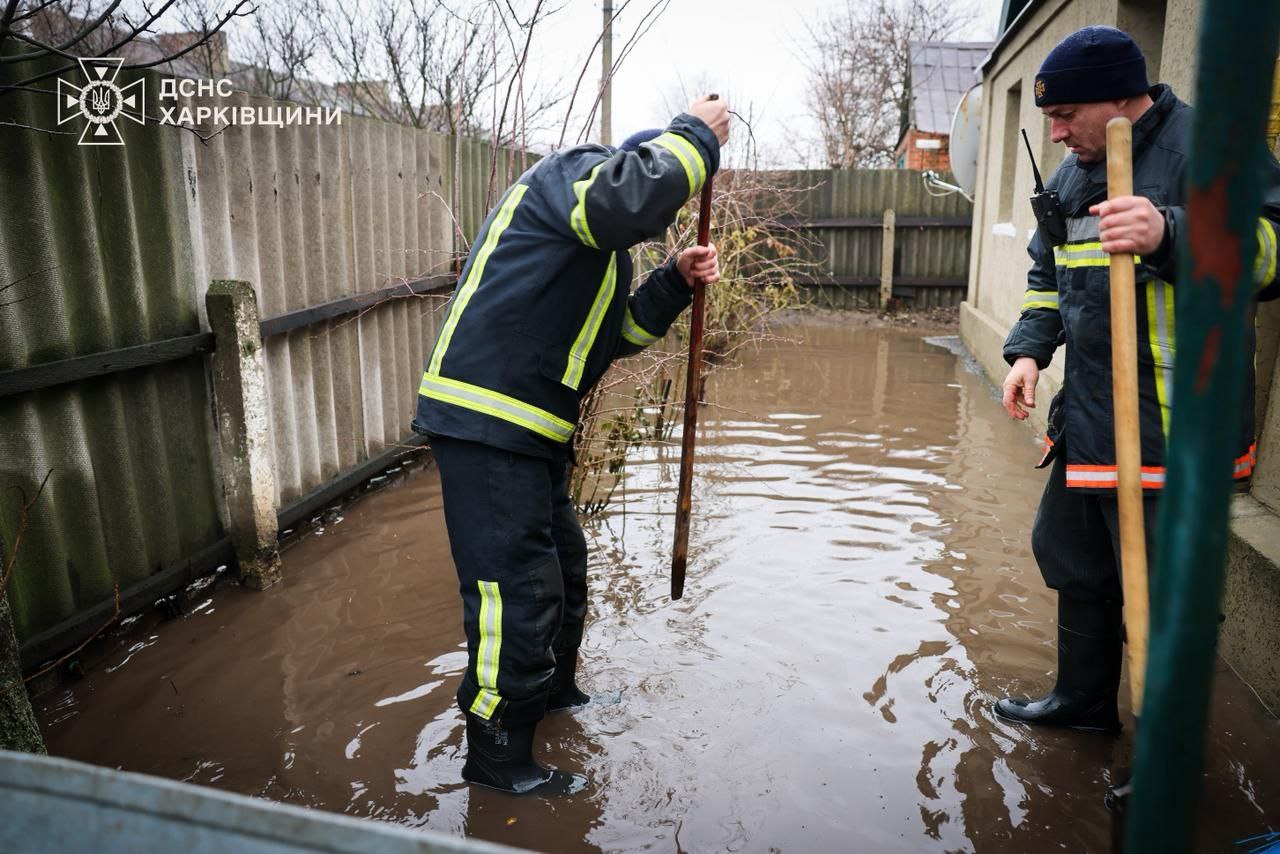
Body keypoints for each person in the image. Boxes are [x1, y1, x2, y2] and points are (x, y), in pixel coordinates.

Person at [411, 96, 730, 795]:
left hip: (531, 433)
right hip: (489, 423)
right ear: (635, 165)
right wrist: (697, 139)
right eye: (662, 188)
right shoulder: (573, 177)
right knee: (515, 594)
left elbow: (614, 341)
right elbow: (630, 199)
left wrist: (673, 281)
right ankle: (499, 758)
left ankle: (555, 698)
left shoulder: (599, 254)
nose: (662, 216)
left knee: (562, 575)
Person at [994, 26, 1280, 732]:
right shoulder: (1072, 175)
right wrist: (1029, 352)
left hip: (1177, 427)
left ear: (1123, 97)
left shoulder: (1210, 147)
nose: (1056, 133)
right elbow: (1046, 275)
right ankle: (1085, 706)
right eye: (1049, 119)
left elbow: (1273, 249)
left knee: (1166, 589)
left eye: (1066, 116)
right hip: (1090, 418)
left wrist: (1172, 233)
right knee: (1072, 556)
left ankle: (1164, 748)